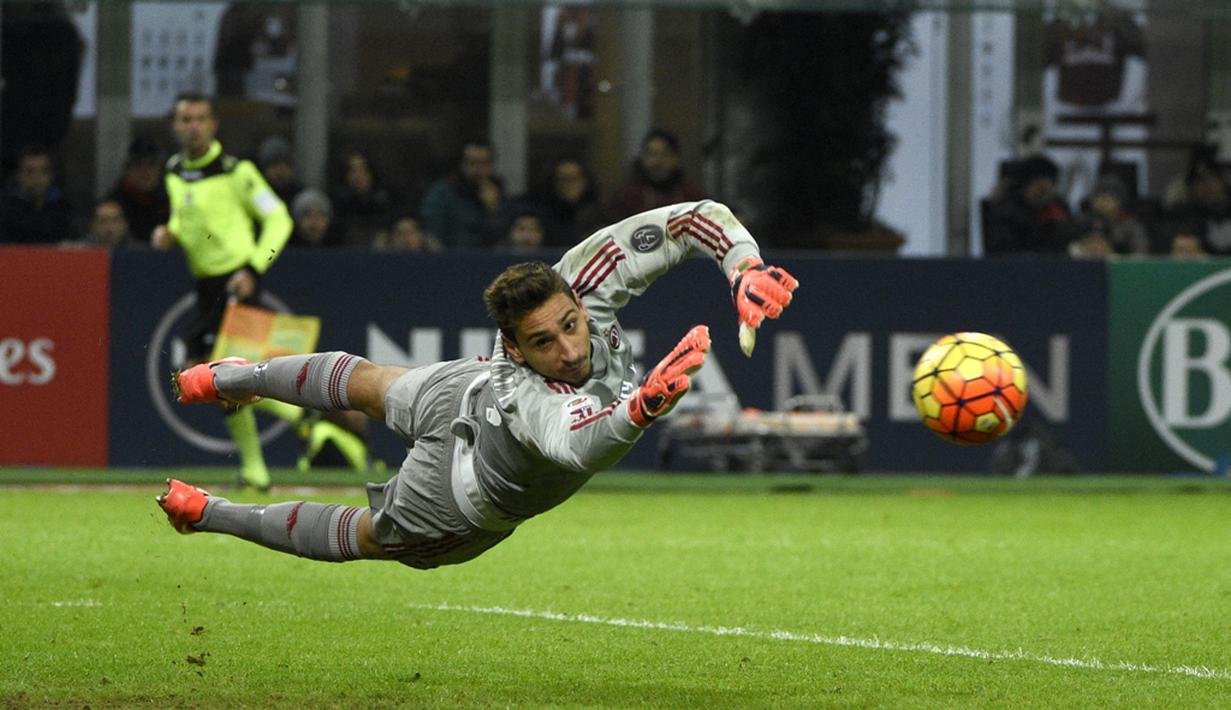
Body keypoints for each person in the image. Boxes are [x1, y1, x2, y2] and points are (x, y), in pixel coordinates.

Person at [157, 200, 799, 569]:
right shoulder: (528, 393)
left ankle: (220, 422)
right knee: (370, 533)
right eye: (545, 343)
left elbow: (696, 219)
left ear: (576, 298)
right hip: (460, 493)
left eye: (572, 325)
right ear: (514, 347)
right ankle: (218, 469)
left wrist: (744, 268)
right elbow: (579, 446)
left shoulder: (581, 277)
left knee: (373, 383)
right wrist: (641, 408)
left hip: (470, 424)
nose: (570, 350)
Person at [151, 93, 294, 490]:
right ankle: (299, 429)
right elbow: (185, 220)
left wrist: (254, 266)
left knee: (219, 373)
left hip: (237, 279)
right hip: (206, 283)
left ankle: (264, 460)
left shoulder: (238, 171)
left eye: (200, 118)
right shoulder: (175, 170)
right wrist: (170, 234)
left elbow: (280, 219)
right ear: (176, 126)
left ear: (214, 124)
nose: (193, 126)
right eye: (185, 119)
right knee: (212, 375)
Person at [983, 154, 1079, 255]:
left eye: (1051, 187)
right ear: (1026, 186)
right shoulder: (1006, 213)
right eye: (1040, 189)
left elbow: (1070, 238)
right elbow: (1004, 250)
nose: (1045, 194)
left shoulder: (1058, 209)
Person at [419, 140, 506, 249]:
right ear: (462, 164)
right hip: (451, 259)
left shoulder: (498, 194)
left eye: (484, 163)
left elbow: (502, 240)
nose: (479, 170)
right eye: (472, 163)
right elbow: (432, 235)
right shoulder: (442, 193)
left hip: (487, 261)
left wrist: (493, 210)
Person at [611, 130, 705, 220]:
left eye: (664, 154)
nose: (657, 161)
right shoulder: (627, 196)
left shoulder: (692, 196)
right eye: (651, 154)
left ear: (676, 158)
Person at [0, 144, 73, 244]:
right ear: (19, 175)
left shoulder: (63, 208)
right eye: (30, 172)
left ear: (51, 175)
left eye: (44, 171)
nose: (37, 178)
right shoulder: (5, 209)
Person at [106, 135, 169, 247]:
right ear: (127, 169)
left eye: (151, 164)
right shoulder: (114, 204)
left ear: (160, 169)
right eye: (138, 164)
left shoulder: (170, 201)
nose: (145, 171)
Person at [532, 157, 609, 247]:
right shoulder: (541, 217)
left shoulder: (599, 216)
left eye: (574, 179)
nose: (568, 185)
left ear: (585, 181)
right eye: (563, 179)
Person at [330, 150, 396, 247]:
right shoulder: (337, 204)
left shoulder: (385, 201)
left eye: (364, 169)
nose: (359, 175)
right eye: (353, 170)